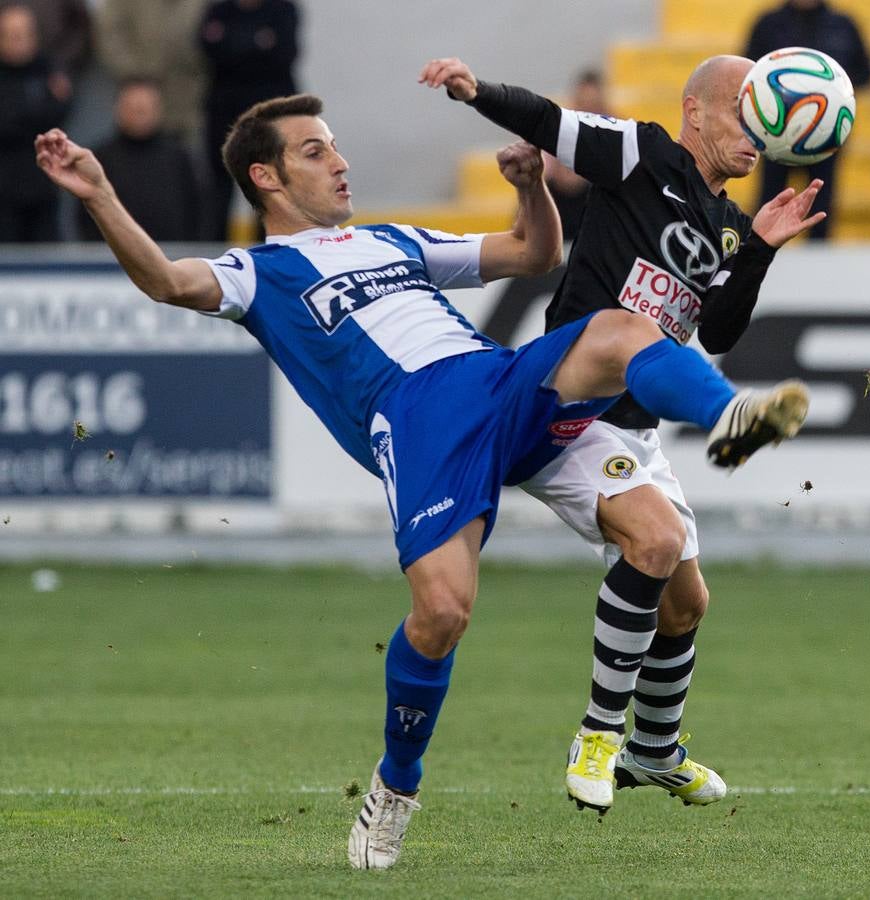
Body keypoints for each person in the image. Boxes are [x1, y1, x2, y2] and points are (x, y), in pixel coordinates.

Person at [35, 92, 809, 870]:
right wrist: (101, 193)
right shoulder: (255, 273)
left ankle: (729, 411)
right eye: (315, 152)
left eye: (335, 146)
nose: (339, 163)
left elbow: (531, 255)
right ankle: (395, 786)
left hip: (498, 381)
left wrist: (530, 188)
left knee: (619, 331)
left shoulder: (389, 239)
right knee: (442, 613)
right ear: (264, 176)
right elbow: (168, 281)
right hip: (420, 424)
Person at [421, 54, 824, 814]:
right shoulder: (640, 154)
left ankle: (654, 750)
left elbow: (717, 330)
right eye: (744, 114)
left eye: (765, 123)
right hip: (571, 407)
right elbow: (550, 122)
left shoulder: (727, 224)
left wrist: (762, 248)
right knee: (657, 542)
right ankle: (600, 733)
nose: (758, 135)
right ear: (694, 112)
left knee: (685, 604)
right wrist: (477, 92)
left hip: (635, 431)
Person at [744, 0, 870, 241]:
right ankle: (756, 254)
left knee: (821, 205)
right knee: (769, 199)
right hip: (774, 132)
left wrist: (832, 92)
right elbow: (748, 72)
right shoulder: (768, 23)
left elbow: (866, 73)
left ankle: (819, 263)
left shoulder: (844, 24)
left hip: (825, 135)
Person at [200, 0, 299, 240]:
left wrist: (232, 42)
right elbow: (206, 50)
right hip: (224, 113)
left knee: (271, 182)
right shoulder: (217, 10)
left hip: (271, 115)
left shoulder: (283, 10)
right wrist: (255, 42)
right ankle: (215, 254)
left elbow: (284, 54)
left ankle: (269, 248)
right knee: (219, 187)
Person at [77, 78, 202, 242]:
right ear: (118, 109)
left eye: (144, 109)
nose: (139, 115)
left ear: (158, 110)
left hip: (175, 257)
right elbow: (86, 214)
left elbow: (198, 209)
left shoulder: (178, 156)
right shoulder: (99, 159)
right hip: (112, 259)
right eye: (133, 109)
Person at [0, 1, 70, 242]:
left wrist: (16, 117)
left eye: (23, 34)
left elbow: (60, 111)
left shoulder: (51, 70)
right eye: (10, 35)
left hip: (43, 190)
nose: (17, 41)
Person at [96, 0, 209, 149]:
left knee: (185, 153)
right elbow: (110, 35)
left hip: (189, 97)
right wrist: (137, 77)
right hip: (136, 92)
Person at [543, 68, 611, 241]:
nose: (588, 116)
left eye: (593, 109)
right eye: (582, 106)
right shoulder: (557, 132)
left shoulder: (616, 138)